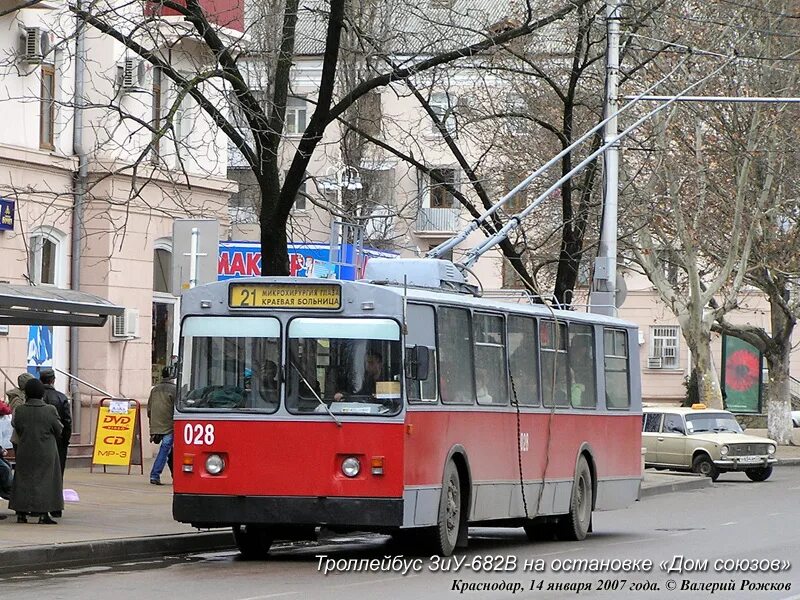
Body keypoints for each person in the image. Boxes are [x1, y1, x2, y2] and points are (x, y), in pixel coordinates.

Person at [9, 378, 63, 524]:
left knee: (23, 479)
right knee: (45, 480)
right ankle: (43, 513)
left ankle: (21, 513)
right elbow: (58, 429)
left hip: (25, 448)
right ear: (41, 393)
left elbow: (16, 425)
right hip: (46, 450)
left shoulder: (20, 410)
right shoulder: (50, 410)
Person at [40, 368, 72, 481]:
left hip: (40, 438)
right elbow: (67, 421)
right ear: (53, 380)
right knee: (58, 470)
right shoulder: (61, 397)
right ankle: (56, 490)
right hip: (58, 439)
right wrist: (65, 439)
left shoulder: (36, 397)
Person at [148, 367, 176, 486]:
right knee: (165, 450)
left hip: (156, 424)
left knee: (169, 450)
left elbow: (149, 409)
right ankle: (155, 474)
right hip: (169, 425)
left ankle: (176, 476)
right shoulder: (174, 390)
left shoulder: (154, 389)